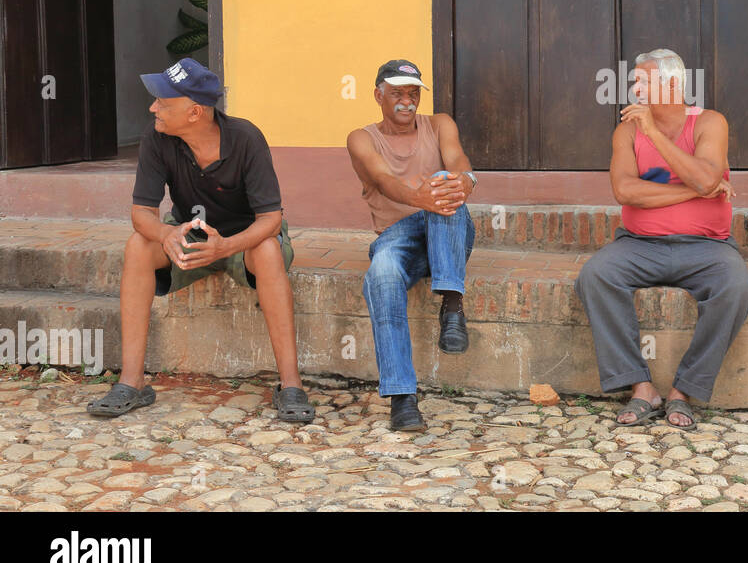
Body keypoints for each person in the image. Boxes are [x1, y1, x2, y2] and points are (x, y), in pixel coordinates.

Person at [87, 58, 313, 423]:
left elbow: (271, 220)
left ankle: (291, 385)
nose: (152, 108)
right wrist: (166, 233)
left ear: (195, 112)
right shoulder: (157, 137)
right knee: (138, 245)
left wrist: (225, 246)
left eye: (163, 102)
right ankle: (131, 383)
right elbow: (141, 214)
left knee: (269, 250)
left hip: (245, 237)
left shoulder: (245, 138)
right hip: (190, 232)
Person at [574, 49, 748, 430]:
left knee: (736, 286)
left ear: (672, 85)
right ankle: (641, 387)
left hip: (707, 247)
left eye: (643, 81)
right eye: (634, 81)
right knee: (596, 276)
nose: (634, 88)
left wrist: (656, 135)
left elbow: (706, 176)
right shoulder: (625, 131)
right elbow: (626, 191)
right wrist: (698, 190)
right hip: (640, 244)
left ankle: (683, 390)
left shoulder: (709, 122)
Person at [345, 59, 477, 431]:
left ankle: (452, 305)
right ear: (378, 95)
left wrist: (464, 181)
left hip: (447, 225)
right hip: (397, 236)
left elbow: (458, 161)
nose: (407, 102)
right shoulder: (362, 137)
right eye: (398, 94)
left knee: (443, 181)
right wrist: (422, 199)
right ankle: (402, 398)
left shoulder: (440, 124)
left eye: (413, 94)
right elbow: (385, 181)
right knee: (381, 274)